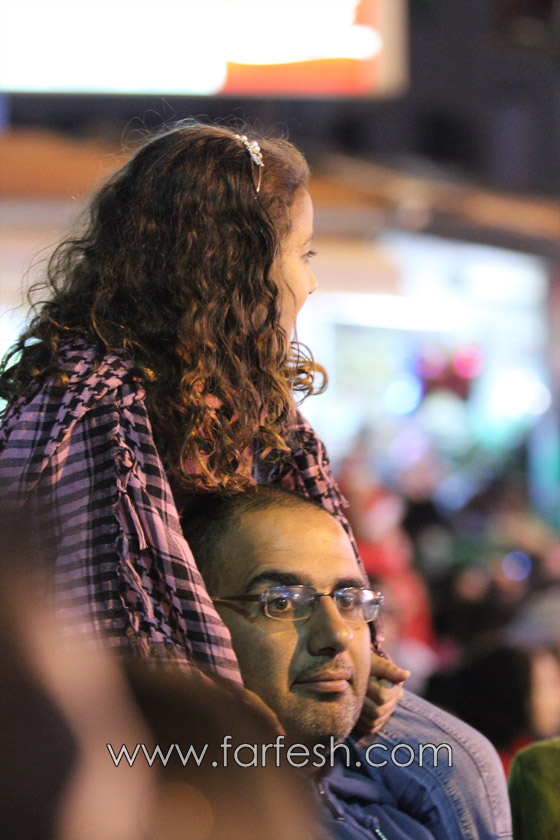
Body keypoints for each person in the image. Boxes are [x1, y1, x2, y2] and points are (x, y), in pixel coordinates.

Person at [0, 120, 404, 711]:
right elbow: (110, 627)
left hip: (240, 686)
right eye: (303, 254)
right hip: (135, 716)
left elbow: (315, 554)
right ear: (236, 266)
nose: (312, 282)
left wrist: (361, 656)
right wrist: (227, 716)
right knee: (455, 755)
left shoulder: (246, 397)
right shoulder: (92, 403)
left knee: (455, 749)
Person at [182, 486, 513, 840]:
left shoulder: (405, 806)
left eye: (349, 600)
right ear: (196, 619)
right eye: (282, 602)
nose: (339, 634)